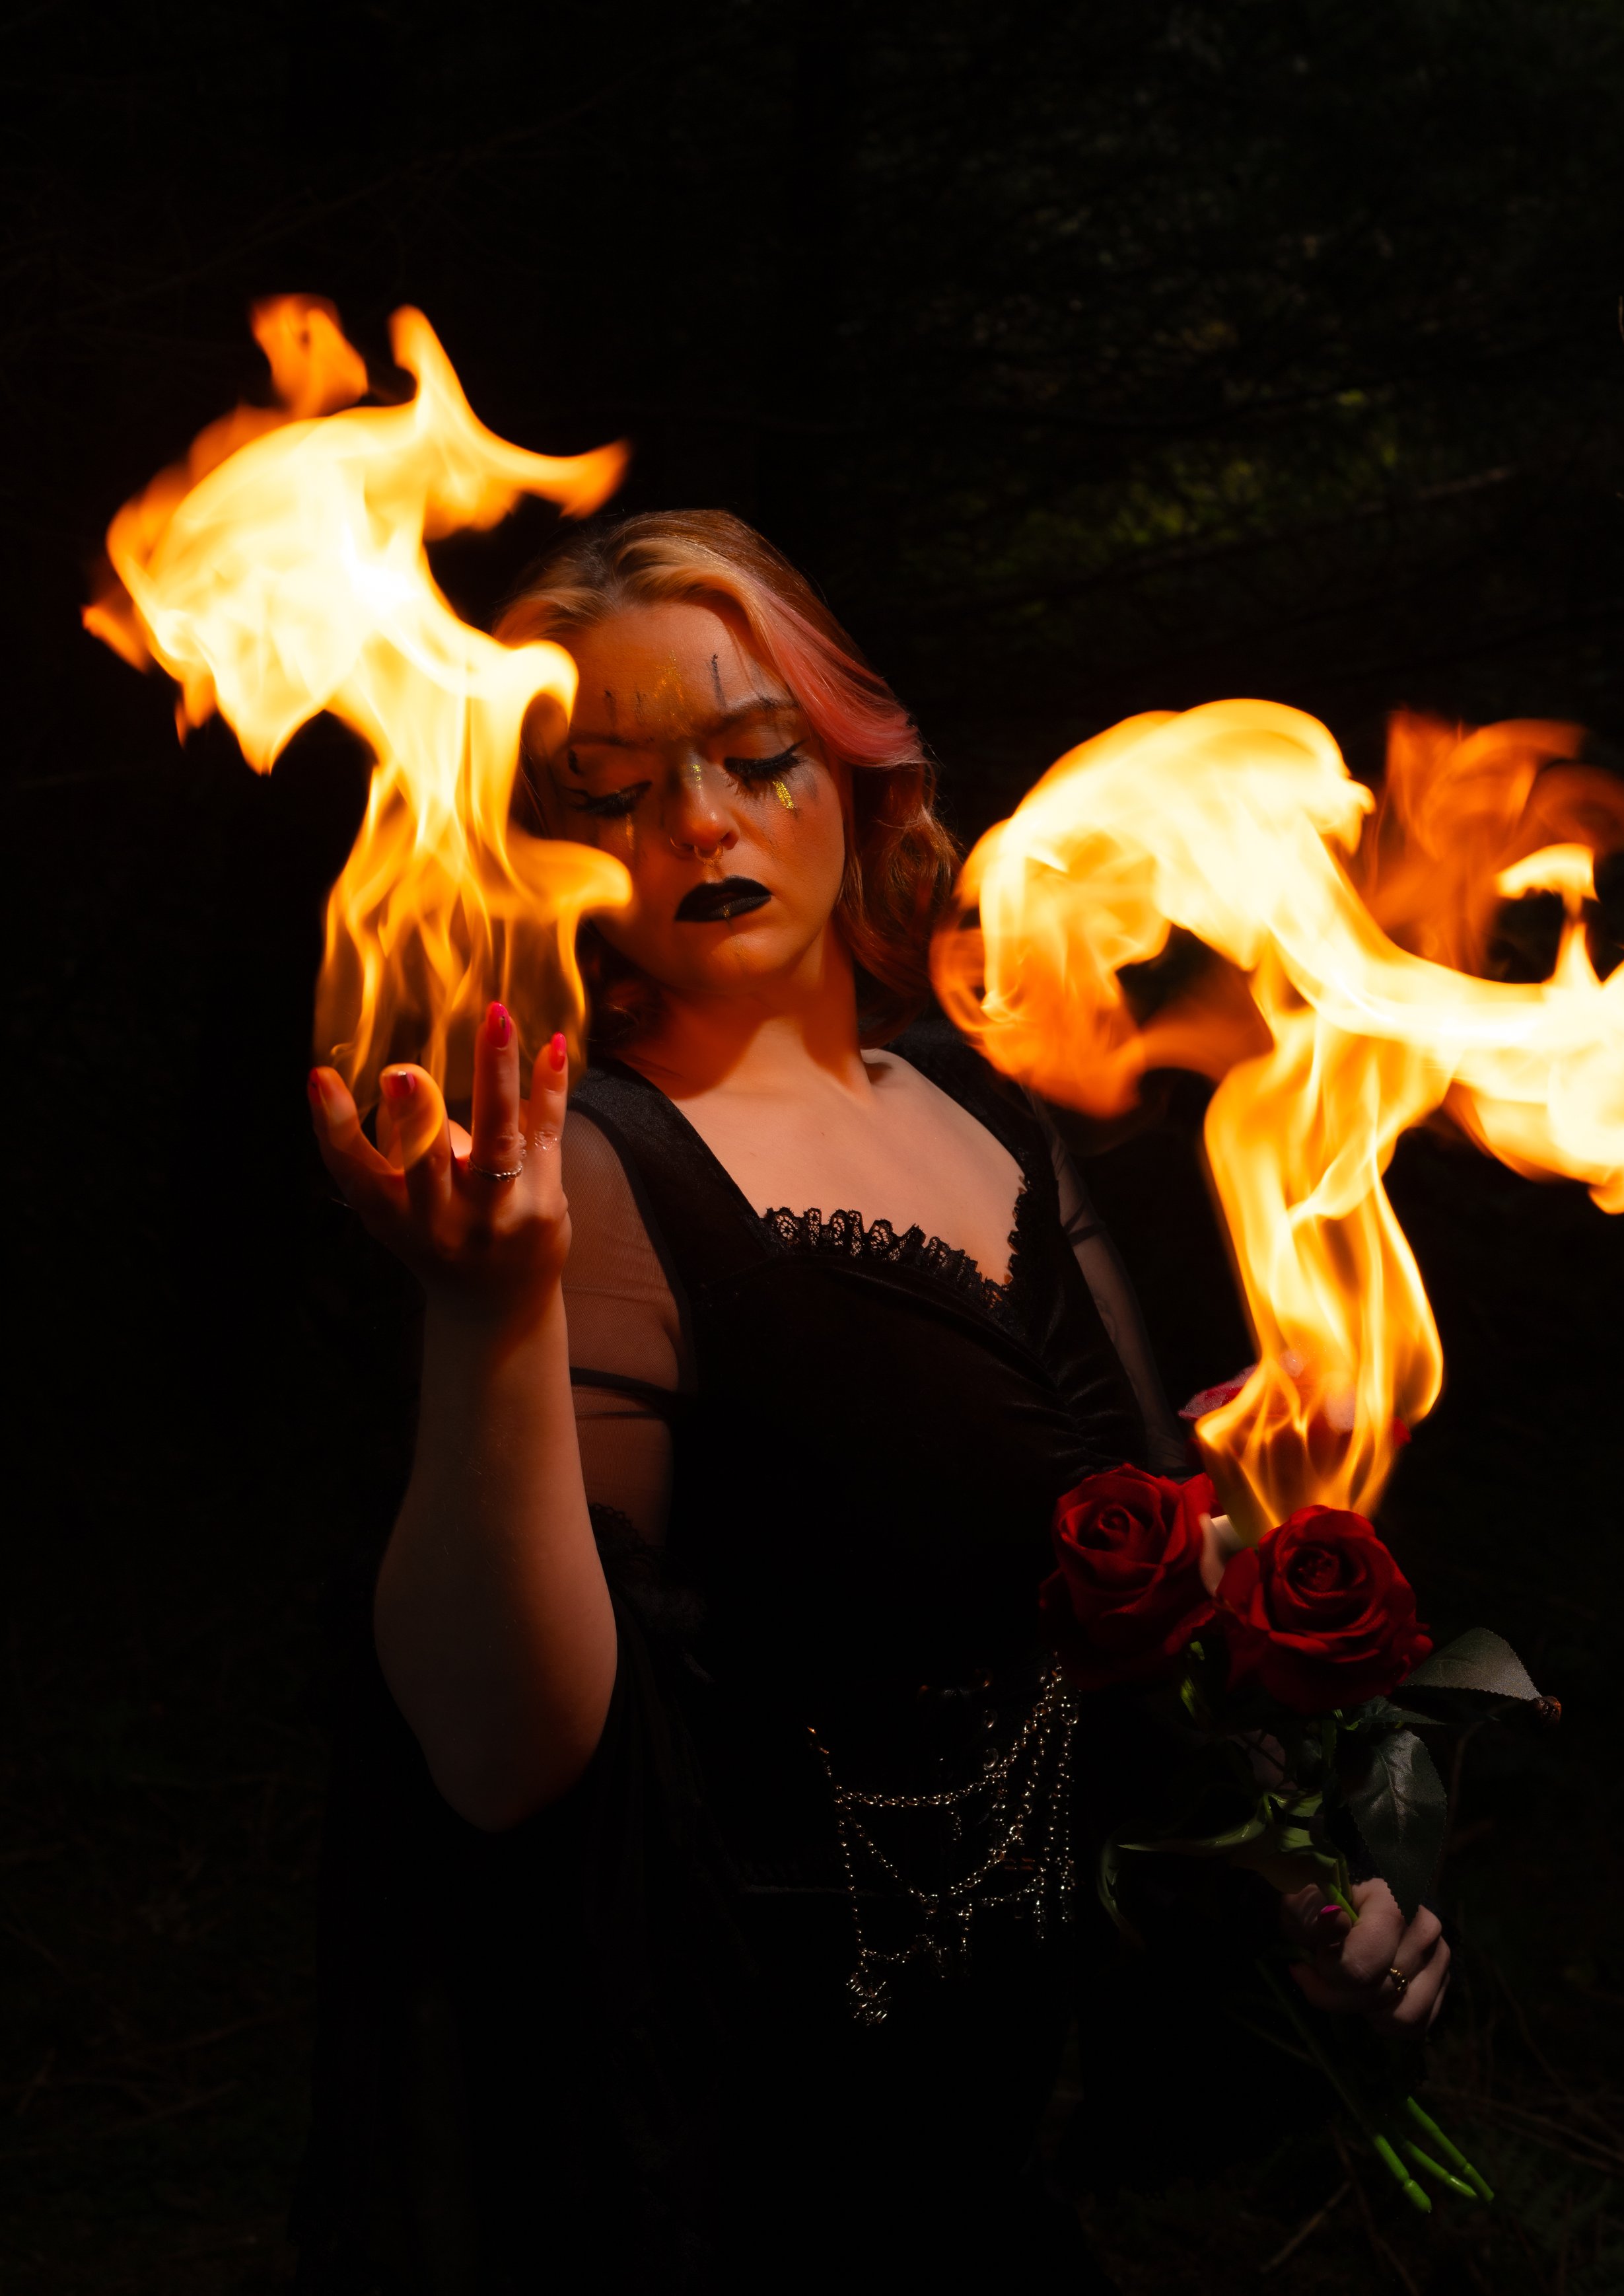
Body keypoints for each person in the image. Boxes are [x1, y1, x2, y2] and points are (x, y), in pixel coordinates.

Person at [294, 512, 1451, 2293]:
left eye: (755, 757)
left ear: (849, 767)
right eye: (614, 790)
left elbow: (1146, 1637)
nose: (699, 823)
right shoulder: (599, 1178)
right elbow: (506, 1753)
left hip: (997, 2140)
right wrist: (487, 1309)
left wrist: (1301, 1901)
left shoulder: (984, 1119)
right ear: (546, 855)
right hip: (747, 2174)